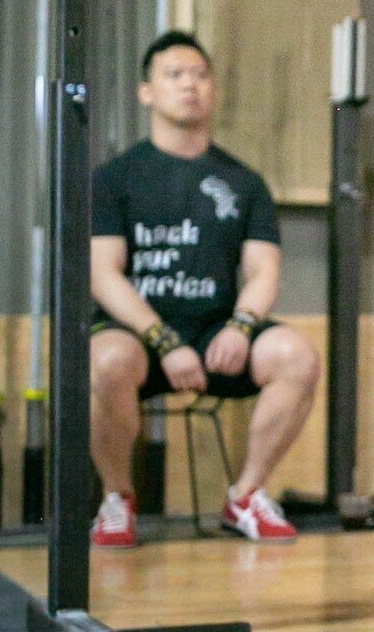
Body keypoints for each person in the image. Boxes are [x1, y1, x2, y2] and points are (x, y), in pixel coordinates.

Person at [88, 31, 321, 547]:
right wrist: (165, 340)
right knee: (103, 360)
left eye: (199, 75)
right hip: (141, 338)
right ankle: (116, 499)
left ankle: (245, 496)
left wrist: (242, 326)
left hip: (217, 334)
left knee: (297, 356)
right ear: (146, 92)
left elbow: (263, 271)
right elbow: (104, 273)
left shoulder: (244, 182)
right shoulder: (114, 178)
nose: (189, 85)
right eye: (174, 75)